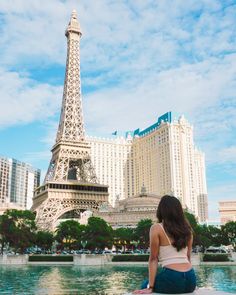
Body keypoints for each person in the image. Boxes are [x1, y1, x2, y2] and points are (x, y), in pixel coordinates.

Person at [133, 195, 196, 294]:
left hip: (173, 277)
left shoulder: (157, 228)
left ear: (161, 210)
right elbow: (188, 257)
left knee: (144, 284)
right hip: (191, 279)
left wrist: (150, 287)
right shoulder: (188, 230)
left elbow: (153, 259)